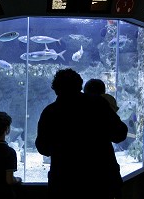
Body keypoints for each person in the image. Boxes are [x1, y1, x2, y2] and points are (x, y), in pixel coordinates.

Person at [35, 68, 128, 199]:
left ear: (55, 89)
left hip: (64, 182)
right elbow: (120, 134)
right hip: (100, 180)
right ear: (80, 85)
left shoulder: (50, 112)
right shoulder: (98, 104)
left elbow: (43, 148)